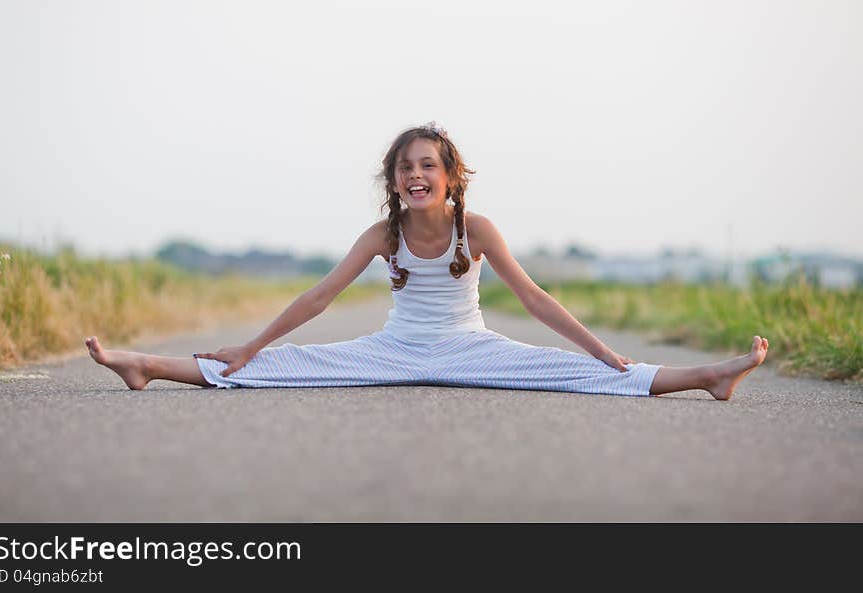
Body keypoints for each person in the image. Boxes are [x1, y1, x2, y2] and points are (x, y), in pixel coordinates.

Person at [85, 121, 768, 400]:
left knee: (581, 371)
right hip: (395, 350)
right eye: (405, 168)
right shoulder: (384, 235)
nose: (416, 175)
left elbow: (534, 301)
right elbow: (320, 297)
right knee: (269, 367)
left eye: (427, 166)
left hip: (472, 348)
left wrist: (601, 348)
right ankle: (144, 364)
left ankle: (709, 374)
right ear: (395, 182)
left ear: (449, 177)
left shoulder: (480, 228)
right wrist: (254, 342)